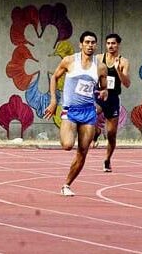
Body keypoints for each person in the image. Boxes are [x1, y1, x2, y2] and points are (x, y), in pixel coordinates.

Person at [44, 31, 108, 196]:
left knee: (83, 151)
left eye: (93, 42)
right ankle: (97, 132)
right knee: (67, 145)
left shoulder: (100, 66)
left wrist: (104, 92)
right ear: (81, 44)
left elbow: (104, 87)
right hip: (71, 111)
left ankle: (66, 185)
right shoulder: (69, 61)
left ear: (95, 45)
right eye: (87, 42)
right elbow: (54, 78)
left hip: (89, 112)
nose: (90, 45)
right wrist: (53, 101)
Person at [91, 33, 130, 173]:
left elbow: (127, 83)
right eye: (108, 43)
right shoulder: (98, 58)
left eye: (113, 43)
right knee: (92, 114)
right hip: (99, 94)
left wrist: (119, 70)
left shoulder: (123, 61)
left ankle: (107, 160)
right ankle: (95, 132)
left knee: (111, 133)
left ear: (118, 44)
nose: (110, 46)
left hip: (113, 98)